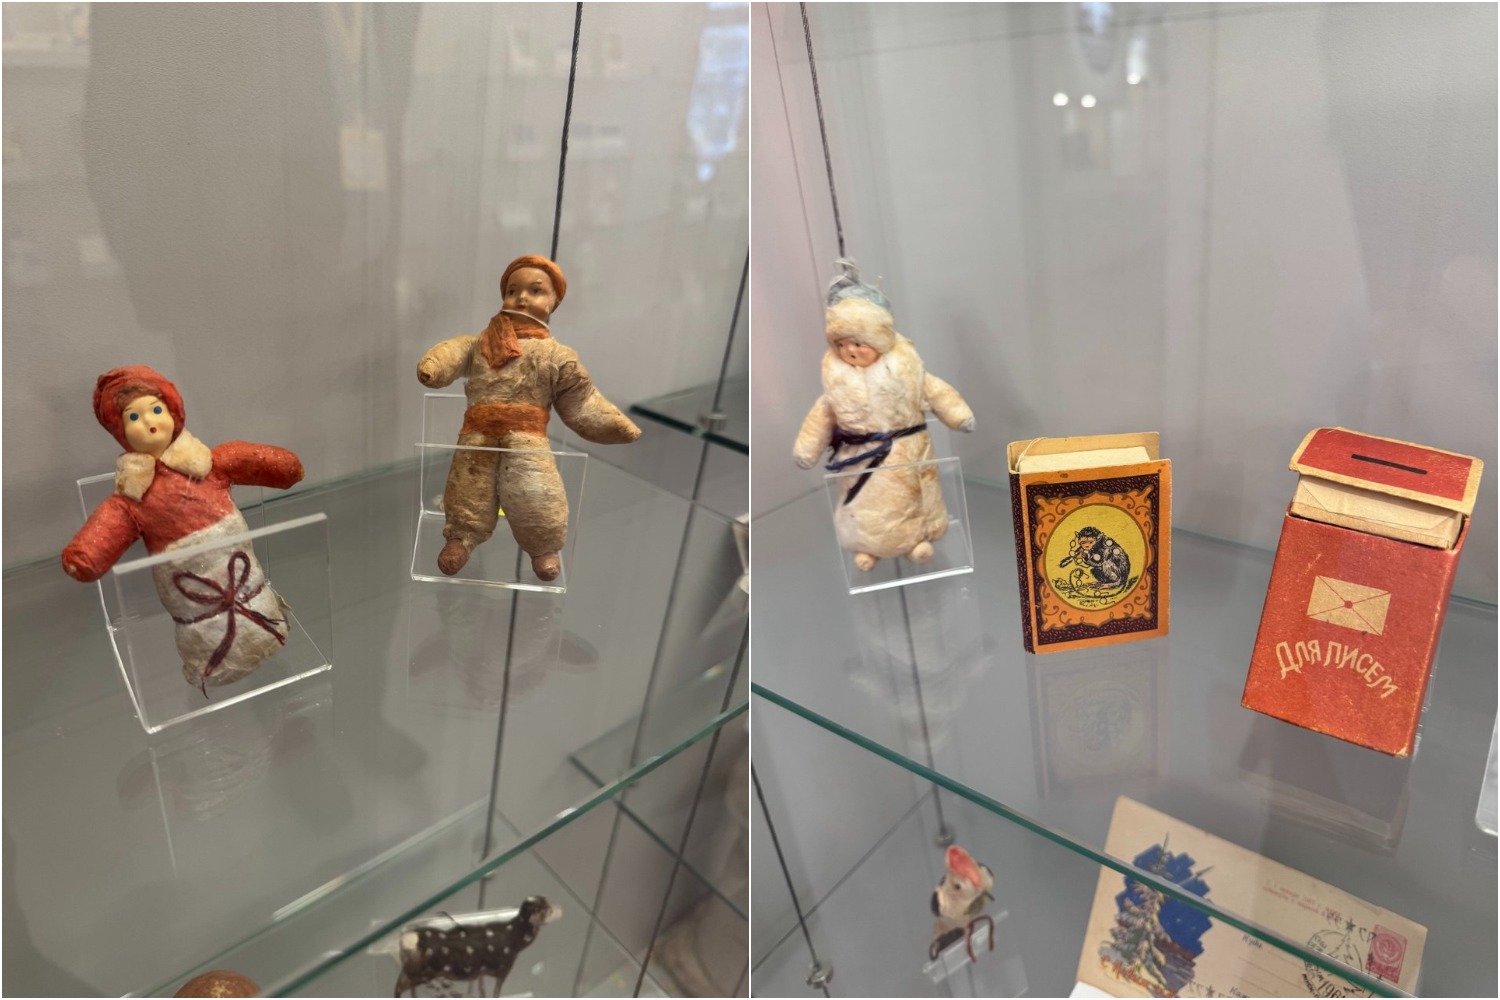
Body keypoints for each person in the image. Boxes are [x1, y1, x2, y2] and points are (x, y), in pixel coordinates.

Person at [62, 366, 304, 691]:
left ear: (173, 412)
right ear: (120, 431)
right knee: (206, 634)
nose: (149, 422)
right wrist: (85, 557)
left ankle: (268, 632)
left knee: (257, 609)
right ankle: (215, 663)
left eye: (156, 410)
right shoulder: (132, 497)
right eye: (133, 417)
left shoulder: (210, 465)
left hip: (248, 583)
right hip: (192, 606)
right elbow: (103, 534)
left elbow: (260, 462)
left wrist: (285, 468)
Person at [417, 255, 640, 580]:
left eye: (535, 291)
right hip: (477, 435)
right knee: (467, 491)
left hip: (527, 439)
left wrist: (616, 425)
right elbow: (454, 351)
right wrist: (435, 367)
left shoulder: (557, 356)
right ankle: (460, 539)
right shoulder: (481, 343)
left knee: (535, 493)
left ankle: (543, 548)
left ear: (554, 302)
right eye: (512, 290)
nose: (521, 298)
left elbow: (581, 401)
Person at [793, 262, 974, 571]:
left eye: (858, 343)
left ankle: (917, 541)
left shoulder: (906, 370)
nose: (849, 351)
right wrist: (807, 449)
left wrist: (958, 416)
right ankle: (866, 547)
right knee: (866, 504)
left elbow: (935, 390)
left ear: (878, 339)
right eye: (841, 344)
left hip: (906, 452)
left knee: (908, 500)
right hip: (859, 456)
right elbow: (823, 414)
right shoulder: (836, 380)